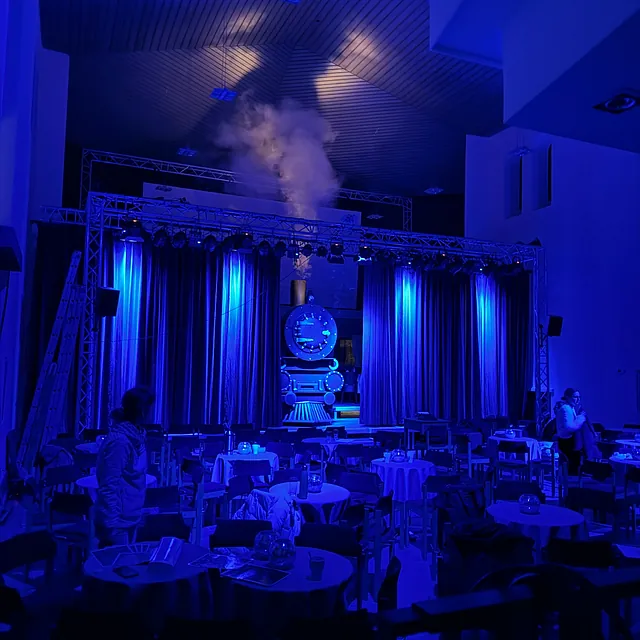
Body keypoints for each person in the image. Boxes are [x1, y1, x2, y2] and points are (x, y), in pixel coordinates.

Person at [96, 387, 155, 547]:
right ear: (142, 411)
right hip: (117, 522)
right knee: (117, 562)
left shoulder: (137, 436)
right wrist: (111, 523)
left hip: (130, 517)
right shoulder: (120, 442)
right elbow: (109, 483)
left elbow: (133, 477)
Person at [554, 387, 600, 473]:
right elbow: (569, 427)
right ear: (567, 397)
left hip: (568, 441)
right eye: (575, 397)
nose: (578, 399)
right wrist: (581, 418)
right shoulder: (566, 409)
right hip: (567, 442)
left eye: (579, 397)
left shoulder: (570, 408)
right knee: (572, 468)